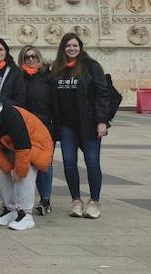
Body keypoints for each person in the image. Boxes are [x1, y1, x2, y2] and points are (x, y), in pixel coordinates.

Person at [49, 32, 112, 219]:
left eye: (75, 45)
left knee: (92, 163)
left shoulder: (91, 67)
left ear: (80, 47)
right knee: (69, 163)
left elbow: (102, 94)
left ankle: (94, 201)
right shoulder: (57, 69)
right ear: (63, 48)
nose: (72, 49)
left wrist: (102, 121)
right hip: (67, 125)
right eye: (68, 46)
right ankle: (76, 200)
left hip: (89, 123)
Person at [0, 89, 52, 232]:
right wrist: (8, 168)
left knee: (24, 172)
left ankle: (26, 215)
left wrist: (18, 170)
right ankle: (11, 210)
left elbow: (23, 145)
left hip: (35, 144)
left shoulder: (10, 114)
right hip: (10, 147)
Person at [19, 44, 55, 216]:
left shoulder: (48, 76)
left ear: (39, 58)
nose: (31, 59)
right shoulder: (19, 77)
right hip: (26, 125)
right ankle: (26, 200)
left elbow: (56, 101)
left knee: (45, 163)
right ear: (22, 60)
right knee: (29, 162)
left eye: (34, 56)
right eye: (27, 57)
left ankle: (45, 200)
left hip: (46, 124)